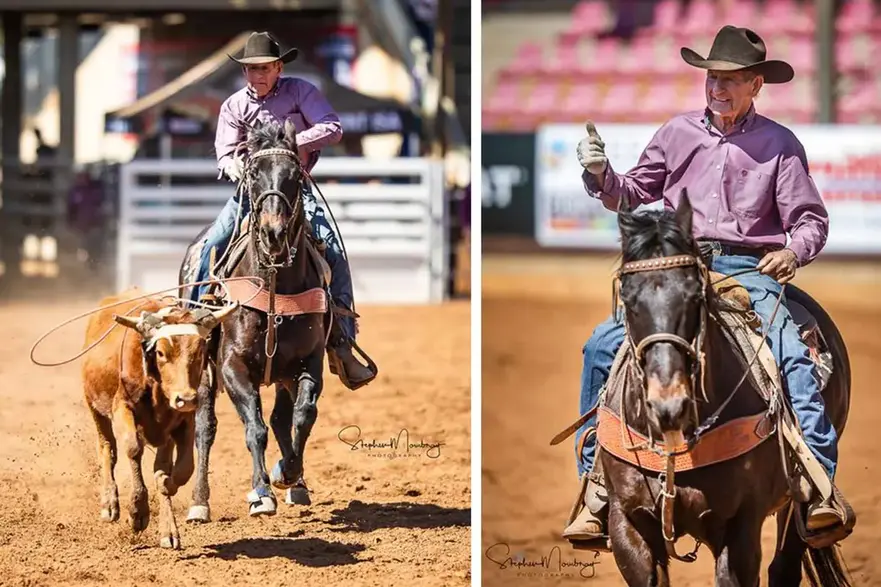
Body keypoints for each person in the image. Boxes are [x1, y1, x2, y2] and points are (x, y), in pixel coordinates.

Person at [563, 25, 846, 544]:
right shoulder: (676, 132)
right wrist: (601, 174)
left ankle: (817, 483)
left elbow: (810, 220)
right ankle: (596, 485)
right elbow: (631, 193)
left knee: (788, 351)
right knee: (601, 346)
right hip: (677, 266)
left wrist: (791, 251)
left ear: (756, 85)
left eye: (732, 79)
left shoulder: (780, 145)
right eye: (713, 77)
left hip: (748, 270)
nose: (718, 88)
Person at [192, 31, 375, 390]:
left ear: (278, 67)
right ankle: (195, 323)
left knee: (334, 251)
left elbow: (332, 127)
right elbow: (225, 152)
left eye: (263, 68)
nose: (256, 76)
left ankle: (342, 339)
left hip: (295, 190)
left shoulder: (301, 92)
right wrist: (232, 165)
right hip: (250, 192)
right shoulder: (233, 106)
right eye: (250, 69)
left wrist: (290, 144)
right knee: (210, 243)